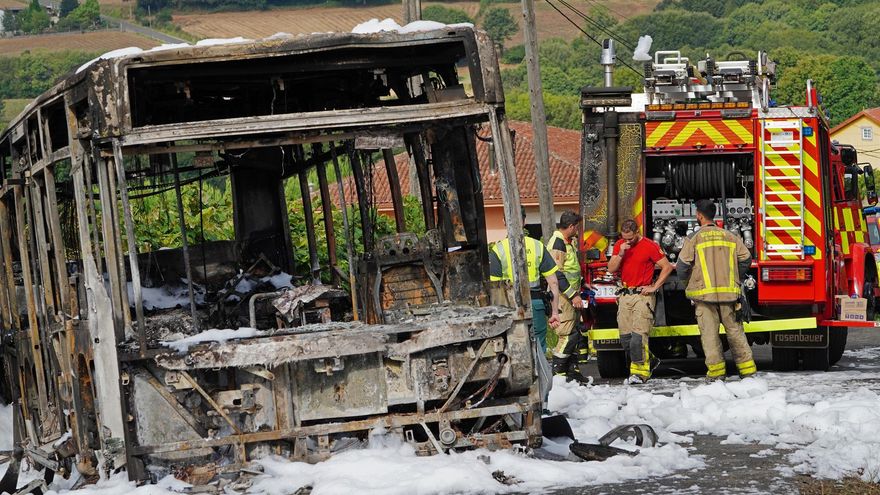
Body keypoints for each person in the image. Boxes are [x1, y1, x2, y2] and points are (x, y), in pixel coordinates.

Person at [676, 200, 756, 381]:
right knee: (735, 332)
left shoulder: (694, 238)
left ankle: (716, 375)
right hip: (729, 295)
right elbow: (746, 259)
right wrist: (734, 277)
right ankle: (748, 371)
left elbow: (682, 266)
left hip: (704, 297)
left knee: (710, 336)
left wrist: (689, 283)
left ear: (699, 215)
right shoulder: (729, 236)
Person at [607, 219, 675, 384]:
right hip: (625, 295)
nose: (628, 241)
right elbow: (611, 268)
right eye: (625, 238)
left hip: (642, 296)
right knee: (625, 339)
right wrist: (621, 253)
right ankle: (649, 360)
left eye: (630, 238)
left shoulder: (649, 245)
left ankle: (639, 373)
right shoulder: (620, 245)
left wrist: (654, 287)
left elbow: (667, 267)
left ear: (637, 232)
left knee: (638, 337)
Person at [489, 211, 561, 354]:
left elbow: (495, 289)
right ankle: (539, 375)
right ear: (524, 221)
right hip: (535, 304)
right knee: (538, 347)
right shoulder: (537, 246)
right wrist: (554, 312)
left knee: (512, 347)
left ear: (504, 221)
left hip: (508, 308)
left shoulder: (498, 250)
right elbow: (553, 282)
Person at [547, 210, 589, 383]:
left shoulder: (566, 242)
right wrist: (573, 295)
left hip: (569, 294)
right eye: (576, 227)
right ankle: (558, 373)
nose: (578, 230)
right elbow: (556, 274)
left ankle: (572, 372)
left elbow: (570, 270)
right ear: (571, 226)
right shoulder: (557, 243)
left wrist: (581, 285)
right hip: (563, 297)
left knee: (574, 333)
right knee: (567, 335)